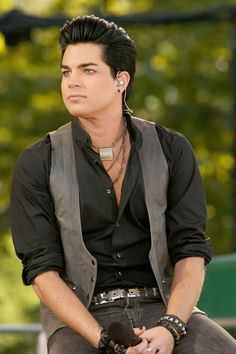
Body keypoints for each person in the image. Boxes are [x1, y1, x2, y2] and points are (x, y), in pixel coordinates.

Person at [10, 14, 236, 354]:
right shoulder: (37, 161)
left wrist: (171, 327)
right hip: (83, 318)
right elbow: (42, 273)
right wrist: (103, 339)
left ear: (121, 80)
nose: (71, 82)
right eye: (66, 71)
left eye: (87, 70)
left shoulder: (172, 148)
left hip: (165, 306)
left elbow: (190, 249)